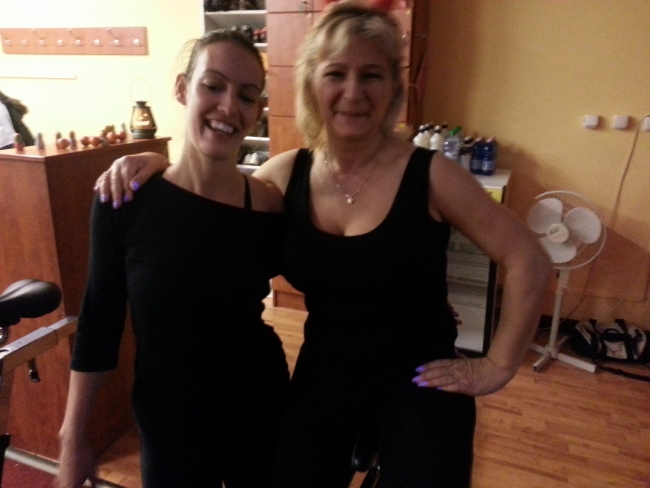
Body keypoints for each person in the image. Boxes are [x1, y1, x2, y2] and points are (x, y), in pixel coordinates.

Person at [94, 2, 552, 487]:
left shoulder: (432, 174)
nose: (353, 93)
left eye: (371, 75)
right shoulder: (285, 174)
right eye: (336, 74)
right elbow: (212, 200)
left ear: (393, 88)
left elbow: (529, 259)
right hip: (326, 376)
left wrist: (497, 366)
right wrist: (154, 168)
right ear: (313, 84)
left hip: (421, 380)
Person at [57, 29, 290, 488]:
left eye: (246, 96)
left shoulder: (268, 205)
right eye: (213, 85)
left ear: (258, 110)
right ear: (183, 89)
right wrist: (72, 437)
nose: (229, 106)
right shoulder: (125, 199)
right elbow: (99, 321)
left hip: (260, 411)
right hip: (169, 423)